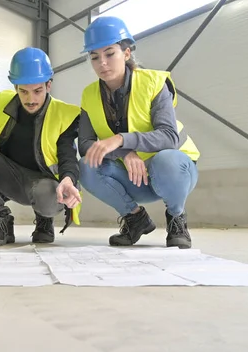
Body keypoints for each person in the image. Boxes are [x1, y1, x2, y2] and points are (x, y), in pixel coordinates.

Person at [77, 16, 200, 249]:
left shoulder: (153, 83)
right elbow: (85, 143)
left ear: (126, 52)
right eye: (94, 57)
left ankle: (176, 218)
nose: (102, 63)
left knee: (167, 159)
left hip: (173, 173)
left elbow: (169, 136)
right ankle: (135, 219)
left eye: (109, 53)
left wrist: (121, 139)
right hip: (133, 177)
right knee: (87, 164)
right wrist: (124, 153)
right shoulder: (89, 95)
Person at [0, 47, 82, 246]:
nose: (30, 99)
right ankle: (1, 218)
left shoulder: (64, 114)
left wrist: (69, 178)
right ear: (15, 88)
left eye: (37, 91)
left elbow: (67, 154)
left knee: (46, 197)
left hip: (44, 185)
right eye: (23, 91)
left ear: (49, 85)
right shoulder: (2, 104)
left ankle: (44, 220)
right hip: (8, 176)